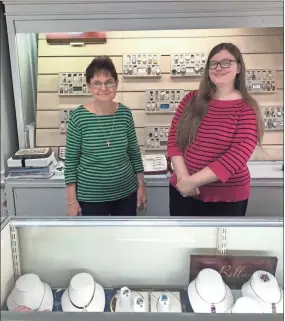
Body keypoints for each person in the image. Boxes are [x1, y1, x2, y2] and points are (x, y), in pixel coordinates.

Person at [167, 43, 264, 217]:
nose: (218, 68)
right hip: (182, 192)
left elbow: (236, 157)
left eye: (226, 62)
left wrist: (192, 182)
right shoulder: (191, 99)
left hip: (226, 199)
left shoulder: (246, 109)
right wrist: (183, 178)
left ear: (239, 67)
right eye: (214, 63)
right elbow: (174, 139)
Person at [65, 56, 147, 216]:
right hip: (90, 198)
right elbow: (71, 162)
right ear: (89, 86)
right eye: (97, 83)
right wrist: (71, 201)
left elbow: (134, 153)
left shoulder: (125, 113)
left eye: (109, 82)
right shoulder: (78, 117)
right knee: (95, 240)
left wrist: (141, 185)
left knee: (124, 238)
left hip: (126, 194)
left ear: (116, 84)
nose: (103, 88)